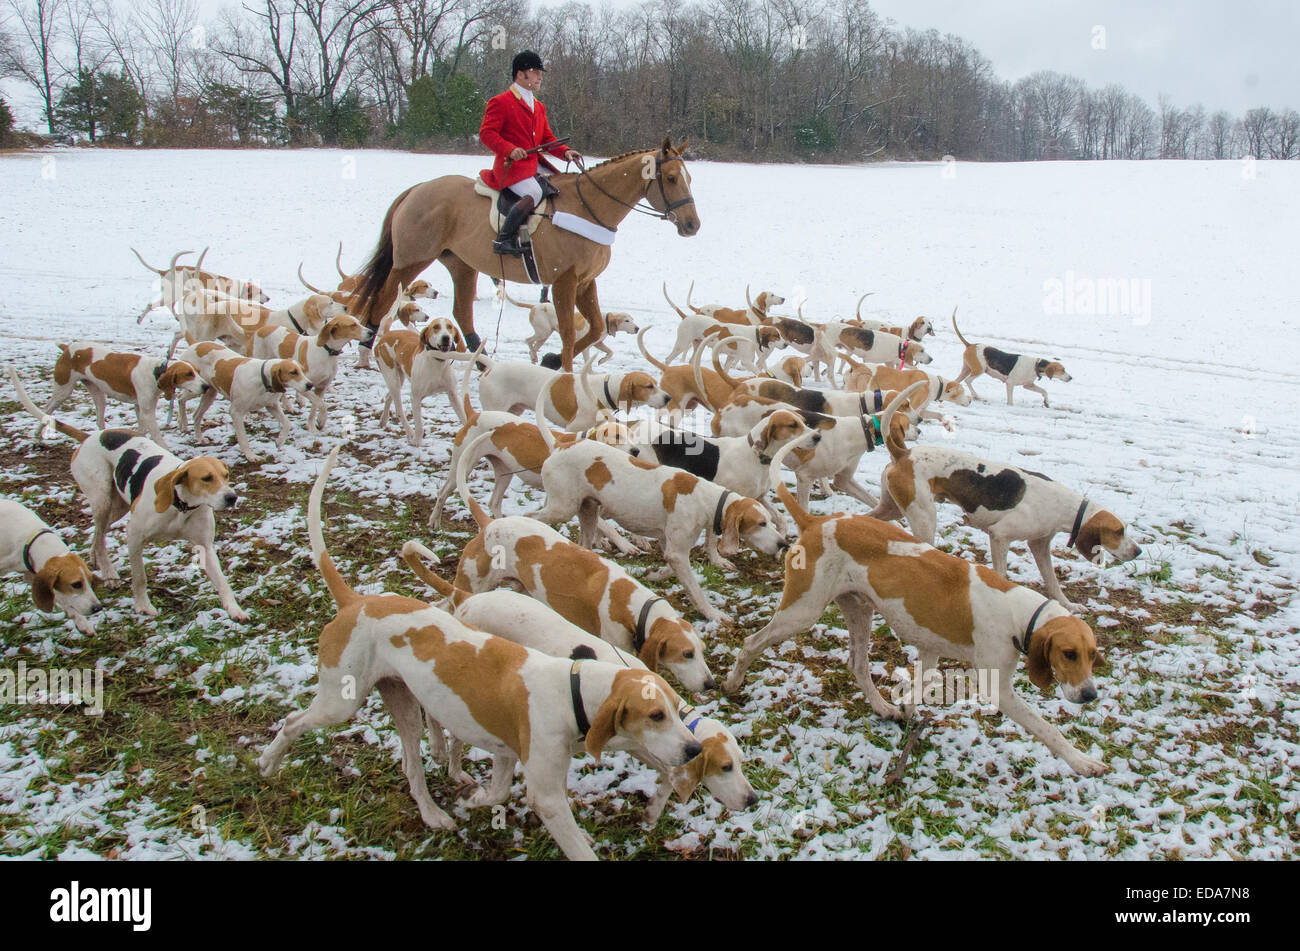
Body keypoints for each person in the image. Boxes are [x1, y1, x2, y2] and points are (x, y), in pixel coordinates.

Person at [478, 50, 584, 256]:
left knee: (563, 187)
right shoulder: (500, 102)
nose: (539, 76)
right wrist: (510, 150)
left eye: (540, 72)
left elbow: (546, 139)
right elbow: (486, 134)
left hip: (534, 165)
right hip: (511, 169)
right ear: (520, 74)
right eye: (534, 71)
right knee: (534, 193)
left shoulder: (538, 106)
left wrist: (565, 152)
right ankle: (504, 239)